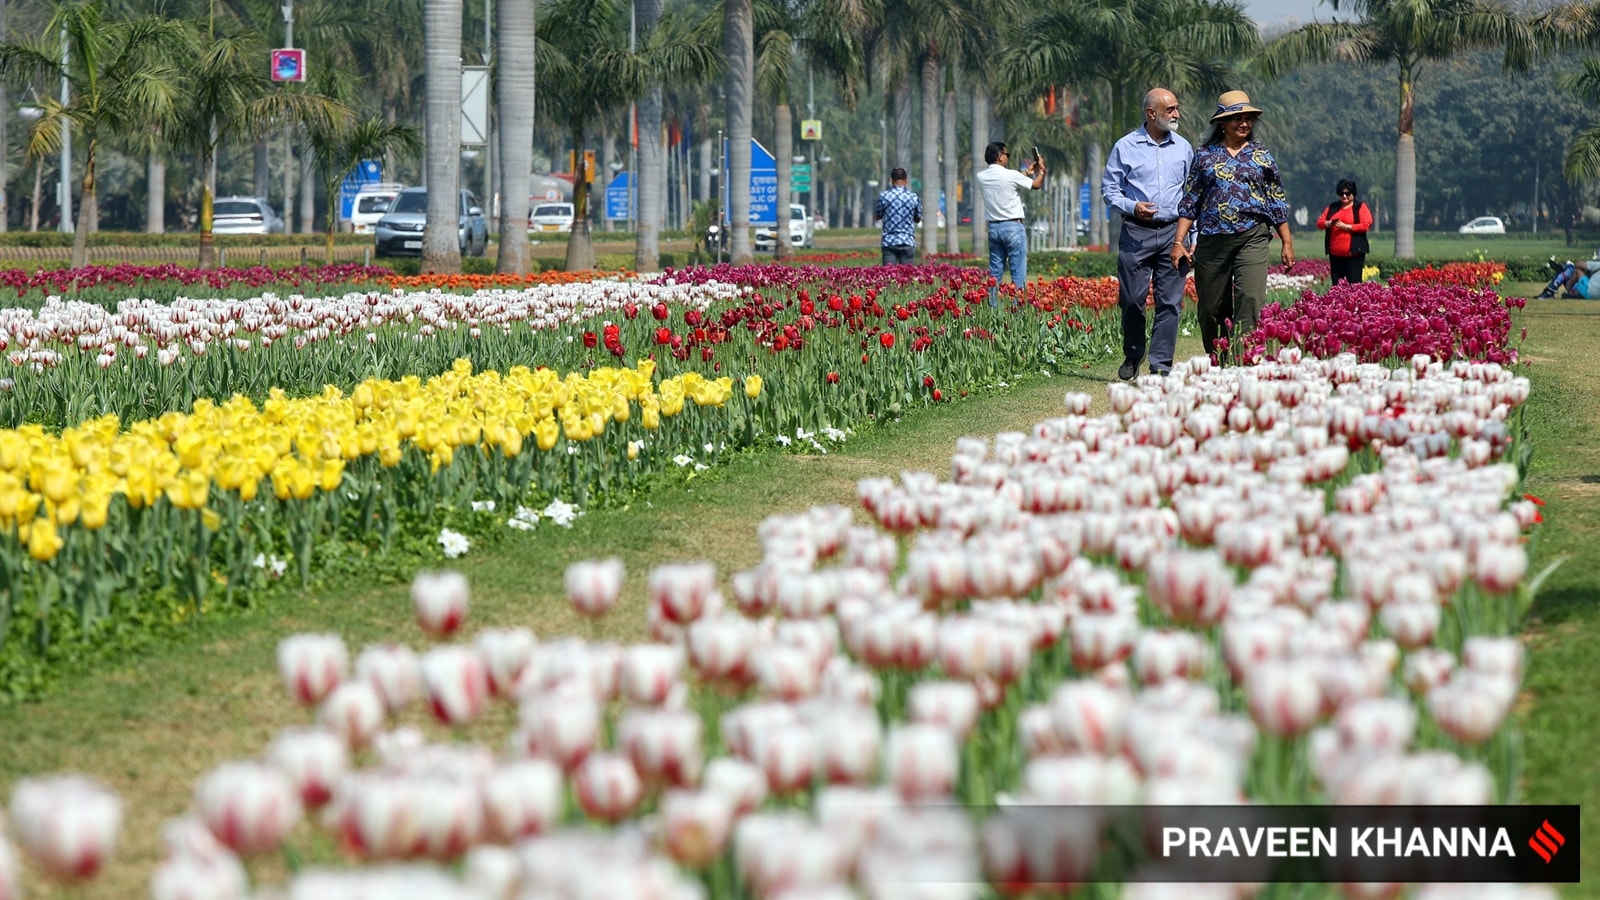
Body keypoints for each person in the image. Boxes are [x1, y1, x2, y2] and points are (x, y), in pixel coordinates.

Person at [1172, 90, 1294, 365]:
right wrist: (1179, 241)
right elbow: (1190, 201)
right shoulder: (1204, 156)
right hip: (1212, 240)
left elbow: (1276, 199)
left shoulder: (1261, 155)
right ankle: (1219, 357)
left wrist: (1286, 241)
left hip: (1252, 236)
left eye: (1248, 118)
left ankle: (1243, 358)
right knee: (1210, 308)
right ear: (1222, 123)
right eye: (1237, 118)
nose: (1244, 123)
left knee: (1250, 297)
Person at [1101, 87, 1193, 380]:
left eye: (1177, 108)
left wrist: (1194, 237)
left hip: (1173, 233)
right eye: (1170, 110)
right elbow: (1109, 189)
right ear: (1151, 114)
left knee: (1170, 302)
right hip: (1136, 232)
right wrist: (1131, 205)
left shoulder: (1184, 148)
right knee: (1131, 299)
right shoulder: (1125, 147)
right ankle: (1133, 352)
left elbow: (1192, 196)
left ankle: (1160, 364)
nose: (1177, 114)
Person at [976, 141, 1047, 305]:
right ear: (1000, 156)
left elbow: (1007, 181)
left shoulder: (981, 177)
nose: (1007, 158)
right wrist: (1041, 171)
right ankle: (1017, 311)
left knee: (995, 274)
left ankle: (993, 308)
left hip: (994, 228)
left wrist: (1027, 172)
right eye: (1006, 155)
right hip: (1013, 228)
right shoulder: (1010, 175)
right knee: (1018, 274)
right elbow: (1035, 185)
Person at [1317, 179, 1372, 286]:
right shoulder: (1332, 207)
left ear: (1353, 194)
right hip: (1335, 255)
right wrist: (1327, 223)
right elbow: (1319, 222)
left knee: (1354, 285)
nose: (1344, 196)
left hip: (1354, 255)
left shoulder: (1360, 207)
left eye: (1347, 193)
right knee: (1337, 286)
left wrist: (1347, 227)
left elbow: (1366, 224)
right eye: (1341, 193)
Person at [875, 167, 923, 265]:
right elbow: (918, 218)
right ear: (906, 180)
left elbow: (878, 216)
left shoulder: (884, 196)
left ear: (891, 180)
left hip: (889, 242)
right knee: (906, 277)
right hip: (907, 241)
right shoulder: (913, 197)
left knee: (889, 276)